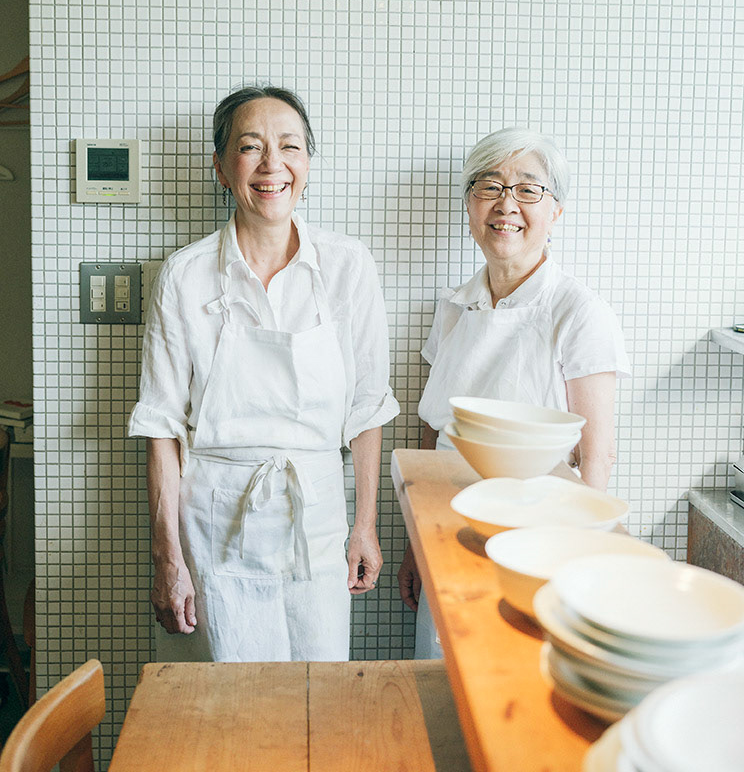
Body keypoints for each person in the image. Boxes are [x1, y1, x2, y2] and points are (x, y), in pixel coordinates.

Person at [128, 85, 399, 662]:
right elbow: (160, 426)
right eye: (251, 147)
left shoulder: (348, 266)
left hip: (317, 517)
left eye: (290, 146)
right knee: (223, 694)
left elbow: (368, 408)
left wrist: (365, 525)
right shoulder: (185, 275)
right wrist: (167, 556)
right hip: (214, 520)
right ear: (222, 168)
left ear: (308, 163)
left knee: (315, 688)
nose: (272, 164)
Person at [397, 126, 629, 657]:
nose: (507, 204)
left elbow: (597, 454)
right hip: (445, 522)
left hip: (536, 536)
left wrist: (574, 558)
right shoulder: (454, 307)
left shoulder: (579, 312)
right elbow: (432, 430)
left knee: (508, 672)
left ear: (555, 211)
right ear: (469, 205)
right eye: (489, 186)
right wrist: (415, 539)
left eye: (528, 189)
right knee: (441, 666)